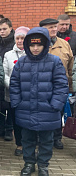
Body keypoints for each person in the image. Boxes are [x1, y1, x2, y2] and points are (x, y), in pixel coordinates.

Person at [10, 27, 68, 176]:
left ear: (45, 44)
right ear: (28, 45)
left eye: (39, 45)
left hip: (47, 109)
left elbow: (61, 85)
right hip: (26, 108)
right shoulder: (22, 62)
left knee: (46, 141)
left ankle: (43, 165)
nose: (35, 48)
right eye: (32, 45)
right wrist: (17, 102)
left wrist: (55, 104)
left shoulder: (54, 61)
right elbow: (14, 83)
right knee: (27, 139)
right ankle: (29, 163)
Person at [40, 18, 74, 150]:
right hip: (43, 86)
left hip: (60, 87)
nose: (54, 29)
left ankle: (57, 138)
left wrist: (70, 87)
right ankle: (41, 138)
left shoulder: (64, 44)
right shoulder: (38, 44)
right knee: (42, 112)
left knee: (58, 113)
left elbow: (70, 67)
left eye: (55, 27)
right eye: (50, 27)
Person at [3, 26, 30, 156]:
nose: (19, 41)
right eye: (17, 38)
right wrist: (13, 86)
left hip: (29, 95)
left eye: (22, 38)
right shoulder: (8, 55)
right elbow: (5, 74)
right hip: (13, 94)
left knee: (29, 121)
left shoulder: (32, 53)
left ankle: (30, 144)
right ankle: (19, 144)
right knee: (16, 120)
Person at [0, 17, 15, 141]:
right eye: (0, 29)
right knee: (0, 104)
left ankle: (9, 129)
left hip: (10, 78)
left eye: (4, 29)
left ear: (10, 28)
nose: (2, 31)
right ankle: (0, 128)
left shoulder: (14, 43)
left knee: (10, 105)